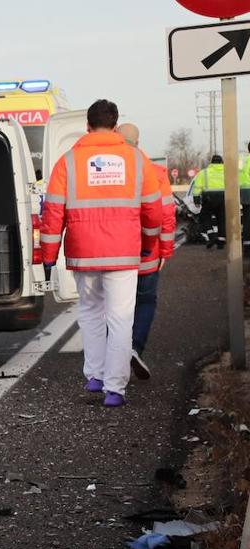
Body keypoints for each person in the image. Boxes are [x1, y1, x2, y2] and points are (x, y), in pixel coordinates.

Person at [41, 100, 161, 408]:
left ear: (88, 126)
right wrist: (148, 243)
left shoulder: (68, 161)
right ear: (116, 125)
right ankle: (115, 389)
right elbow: (152, 209)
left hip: (84, 253)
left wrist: (49, 256)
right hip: (123, 253)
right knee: (121, 318)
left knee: (91, 312)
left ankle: (94, 374)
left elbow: (53, 212)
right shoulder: (136, 159)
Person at [116, 123, 175, 381]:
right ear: (138, 142)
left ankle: (114, 356)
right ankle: (135, 347)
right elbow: (167, 215)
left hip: (115, 251)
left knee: (114, 305)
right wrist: (165, 250)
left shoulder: (110, 170)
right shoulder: (156, 172)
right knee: (146, 300)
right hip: (147, 252)